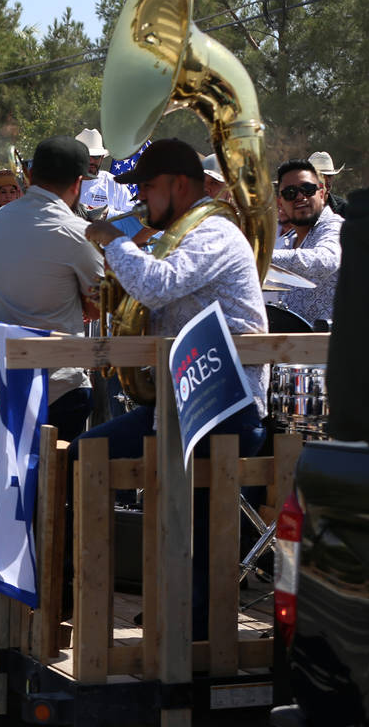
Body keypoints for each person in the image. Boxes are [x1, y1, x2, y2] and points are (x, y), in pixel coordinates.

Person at [82, 138, 268, 641]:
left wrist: (113, 242)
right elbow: (153, 303)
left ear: (179, 185)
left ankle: (193, 635)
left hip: (223, 405)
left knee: (200, 531)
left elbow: (159, 287)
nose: (140, 199)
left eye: (147, 187)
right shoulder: (180, 237)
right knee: (85, 457)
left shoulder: (215, 233)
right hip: (184, 403)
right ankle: (177, 621)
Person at [0, 137, 105, 442]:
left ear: (31, 176)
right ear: (77, 183)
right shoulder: (76, 230)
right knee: (59, 485)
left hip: (4, 382)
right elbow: (101, 306)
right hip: (57, 388)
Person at [271, 158, 343, 326]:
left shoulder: (335, 226)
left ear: (322, 193)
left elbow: (325, 261)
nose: (300, 197)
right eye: (290, 192)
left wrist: (262, 258)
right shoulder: (287, 242)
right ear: (280, 202)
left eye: (308, 189)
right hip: (291, 346)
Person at [75, 128, 135, 216]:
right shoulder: (62, 182)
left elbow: (133, 217)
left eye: (96, 157)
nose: (91, 161)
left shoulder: (114, 183)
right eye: (86, 155)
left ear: (102, 157)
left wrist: (106, 214)